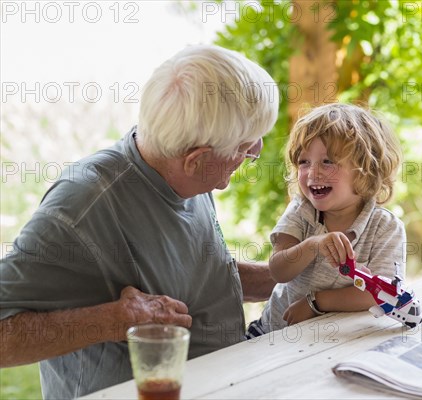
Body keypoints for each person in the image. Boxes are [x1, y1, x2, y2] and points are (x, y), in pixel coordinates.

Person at [0, 44, 278, 399]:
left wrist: (296, 276)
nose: (254, 152)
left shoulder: (187, 176)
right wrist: (113, 320)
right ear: (196, 159)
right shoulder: (83, 208)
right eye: (245, 147)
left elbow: (199, 276)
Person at [246, 103, 406, 337]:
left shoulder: (385, 228)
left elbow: (382, 293)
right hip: (273, 334)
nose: (313, 173)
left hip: (337, 338)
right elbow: (278, 271)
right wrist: (314, 245)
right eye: (304, 162)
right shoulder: (302, 212)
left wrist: (315, 303)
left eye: (327, 162)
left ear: (366, 169)